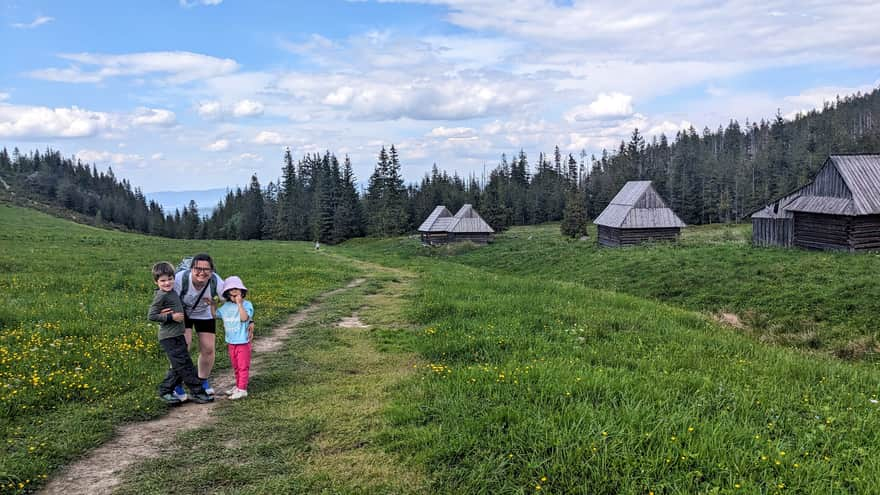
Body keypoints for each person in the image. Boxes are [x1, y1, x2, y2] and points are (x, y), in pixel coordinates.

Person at [148, 262, 213, 404]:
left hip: (178, 334)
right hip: (169, 337)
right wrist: (171, 317)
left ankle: (166, 391)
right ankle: (197, 392)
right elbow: (151, 315)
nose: (167, 283)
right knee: (185, 365)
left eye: (170, 279)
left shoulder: (172, 292)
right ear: (156, 282)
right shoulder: (161, 296)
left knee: (180, 365)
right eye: (163, 280)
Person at [174, 253, 225, 396]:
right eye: (197, 268)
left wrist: (247, 318)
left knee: (208, 349)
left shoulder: (216, 281)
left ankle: (202, 380)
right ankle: (176, 383)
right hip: (182, 312)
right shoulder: (180, 279)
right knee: (183, 346)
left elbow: (231, 297)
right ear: (191, 269)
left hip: (205, 313)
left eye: (206, 269)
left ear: (212, 271)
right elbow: (168, 298)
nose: (201, 272)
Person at [215, 275, 254, 400]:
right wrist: (211, 304)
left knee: (243, 366)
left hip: (243, 342)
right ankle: (238, 386)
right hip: (231, 342)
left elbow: (244, 318)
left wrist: (239, 304)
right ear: (227, 294)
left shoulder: (247, 305)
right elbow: (215, 315)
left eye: (238, 290)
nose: (235, 293)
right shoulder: (225, 307)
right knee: (236, 366)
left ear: (243, 292)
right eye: (232, 291)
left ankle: (242, 389)